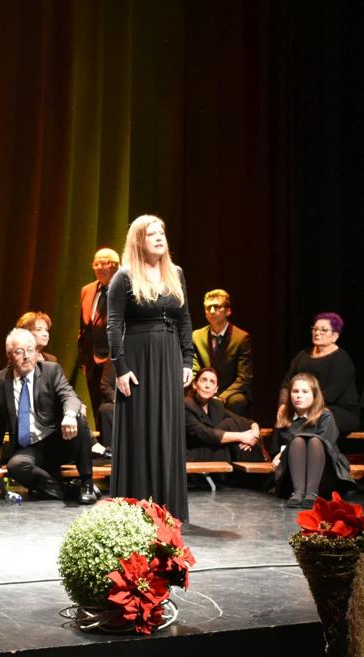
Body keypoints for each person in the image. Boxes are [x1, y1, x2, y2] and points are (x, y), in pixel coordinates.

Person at [106, 215, 194, 521]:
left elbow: (184, 319)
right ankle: (137, 505)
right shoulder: (125, 277)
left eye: (162, 233)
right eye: (151, 234)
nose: (159, 238)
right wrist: (120, 368)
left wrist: (187, 359)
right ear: (138, 241)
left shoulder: (176, 274)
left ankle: (167, 507)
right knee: (141, 428)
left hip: (169, 357)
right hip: (138, 358)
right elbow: (114, 325)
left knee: (168, 427)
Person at [0, 328, 97, 504]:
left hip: (57, 441)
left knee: (78, 418)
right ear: (9, 355)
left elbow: (70, 396)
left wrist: (69, 415)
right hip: (29, 447)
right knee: (16, 466)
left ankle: (87, 484)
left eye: (30, 350)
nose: (26, 356)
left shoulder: (50, 371)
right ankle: (68, 490)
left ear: (36, 352)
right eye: (19, 351)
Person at [271, 373, 355, 508]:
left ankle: (312, 493)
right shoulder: (285, 418)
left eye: (305, 392)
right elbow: (275, 449)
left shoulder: (325, 416)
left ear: (314, 395)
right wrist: (278, 455)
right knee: (297, 442)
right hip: (292, 477)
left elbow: (327, 446)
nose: (299, 396)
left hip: (323, 475)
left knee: (315, 441)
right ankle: (298, 493)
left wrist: (283, 452)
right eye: (295, 391)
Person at [282, 312, 360, 434]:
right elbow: (287, 384)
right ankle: (279, 452)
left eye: (323, 330)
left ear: (335, 336)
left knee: (313, 421)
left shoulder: (342, 359)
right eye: (315, 329)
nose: (317, 333)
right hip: (303, 406)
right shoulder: (302, 356)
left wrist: (302, 409)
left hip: (337, 410)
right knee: (283, 419)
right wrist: (283, 406)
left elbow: (330, 394)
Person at [77, 248, 119, 449]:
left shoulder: (124, 289)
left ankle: (116, 452)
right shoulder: (87, 290)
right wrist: (83, 358)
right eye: (97, 263)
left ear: (116, 265)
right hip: (91, 360)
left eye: (106, 263)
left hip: (114, 359)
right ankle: (104, 451)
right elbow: (84, 327)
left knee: (109, 408)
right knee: (97, 408)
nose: (101, 267)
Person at [190, 289, 253, 415]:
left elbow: (244, 377)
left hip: (229, 392)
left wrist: (221, 397)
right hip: (203, 387)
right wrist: (203, 390)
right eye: (208, 307)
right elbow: (194, 370)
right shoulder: (196, 336)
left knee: (238, 401)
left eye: (217, 306)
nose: (212, 311)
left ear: (228, 311)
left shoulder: (241, 338)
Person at [184, 367, 261, 464]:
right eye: (203, 380)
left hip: (216, 451)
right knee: (230, 425)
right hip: (196, 454)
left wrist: (255, 432)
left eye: (212, 382)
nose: (207, 385)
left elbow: (242, 421)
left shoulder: (216, 405)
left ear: (216, 389)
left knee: (234, 426)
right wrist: (241, 436)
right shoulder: (186, 405)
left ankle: (257, 471)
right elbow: (205, 433)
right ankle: (260, 471)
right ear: (194, 384)